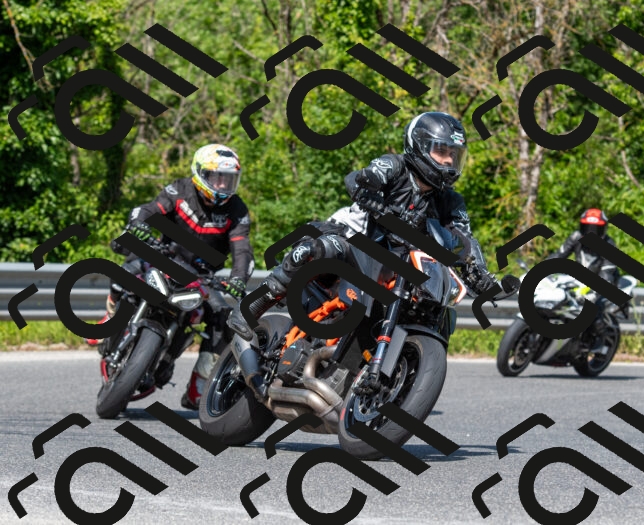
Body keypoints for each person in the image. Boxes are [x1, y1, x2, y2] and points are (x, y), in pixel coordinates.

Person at [225, 111, 502, 395]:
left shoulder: (451, 201)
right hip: (354, 241)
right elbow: (362, 178)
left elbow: (464, 238)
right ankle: (253, 305)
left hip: (397, 265)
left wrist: (479, 273)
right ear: (419, 146)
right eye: (441, 151)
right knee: (314, 249)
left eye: (453, 155)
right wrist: (369, 190)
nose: (448, 161)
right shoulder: (394, 165)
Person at [87, 144, 255, 410]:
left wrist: (238, 280)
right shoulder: (180, 189)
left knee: (223, 318)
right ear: (200, 173)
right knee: (125, 271)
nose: (223, 185)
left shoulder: (237, 210)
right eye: (216, 177)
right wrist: (138, 226)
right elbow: (147, 210)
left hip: (200, 277)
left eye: (229, 179)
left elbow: (242, 250)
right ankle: (110, 318)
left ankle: (200, 385)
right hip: (161, 256)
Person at [546, 208, 620, 344]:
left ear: (604, 230)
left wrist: (595, 293)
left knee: (593, 311)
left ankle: (597, 341)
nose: (591, 234)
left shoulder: (609, 245)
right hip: (580, 279)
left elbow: (607, 273)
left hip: (605, 283)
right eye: (587, 228)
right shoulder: (575, 237)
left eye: (595, 230)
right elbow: (558, 255)